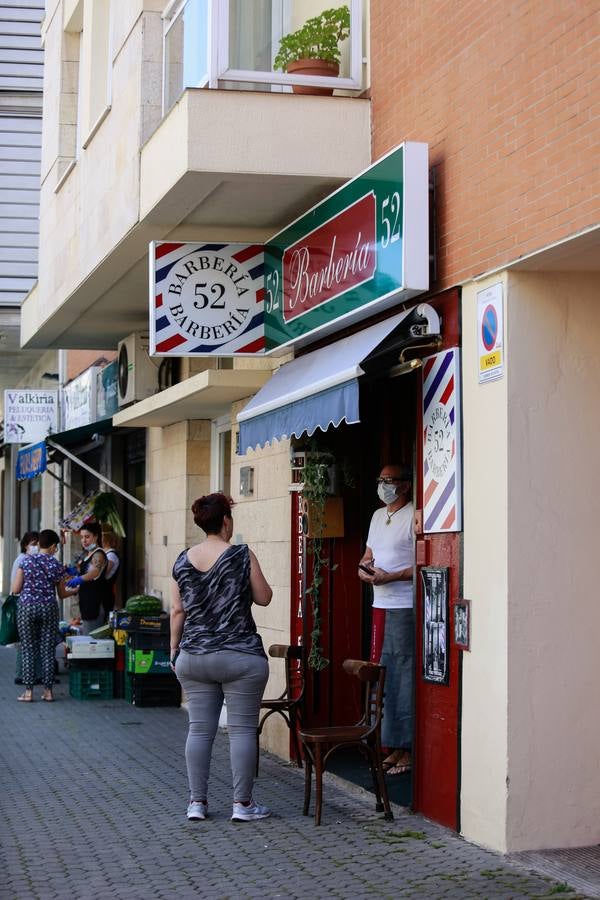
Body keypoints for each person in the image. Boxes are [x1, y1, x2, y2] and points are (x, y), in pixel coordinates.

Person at [170, 493, 273, 823]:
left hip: (195, 656)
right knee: (242, 730)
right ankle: (242, 805)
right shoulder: (242, 555)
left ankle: (196, 803)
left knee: (199, 731)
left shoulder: (182, 561)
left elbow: (177, 611)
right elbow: (265, 597)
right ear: (226, 521)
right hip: (239, 656)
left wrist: (174, 650)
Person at [358, 463, 414, 776]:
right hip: (379, 603)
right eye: (380, 480)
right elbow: (368, 555)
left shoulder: (414, 514)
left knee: (403, 674)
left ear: (405, 485)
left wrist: (391, 576)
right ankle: (389, 745)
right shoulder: (378, 516)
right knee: (383, 673)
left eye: (389, 480)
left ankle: (405, 747)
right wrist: (364, 569)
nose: (383, 485)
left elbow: (423, 561)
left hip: (404, 605)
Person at [10, 528, 73, 702]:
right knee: (47, 650)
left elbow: (15, 589)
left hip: (27, 608)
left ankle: (28, 692)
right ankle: (48, 692)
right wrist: (75, 590)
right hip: (48, 609)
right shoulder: (56, 565)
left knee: (28, 649)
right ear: (53, 546)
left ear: (39, 544)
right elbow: (61, 594)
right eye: (56, 547)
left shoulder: (26, 561)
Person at [66, 522, 109, 634]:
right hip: (87, 604)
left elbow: (94, 572)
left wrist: (78, 579)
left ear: (96, 536)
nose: (84, 541)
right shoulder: (88, 554)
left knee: (92, 641)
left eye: (87, 537)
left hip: (95, 604)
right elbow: (86, 571)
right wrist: (75, 572)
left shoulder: (98, 554)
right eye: (82, 537)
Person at [101, 531, 121, 618]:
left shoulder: (111, 555)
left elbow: (102, 572)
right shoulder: (106, 554)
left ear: (105, 541)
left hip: (106, 593)